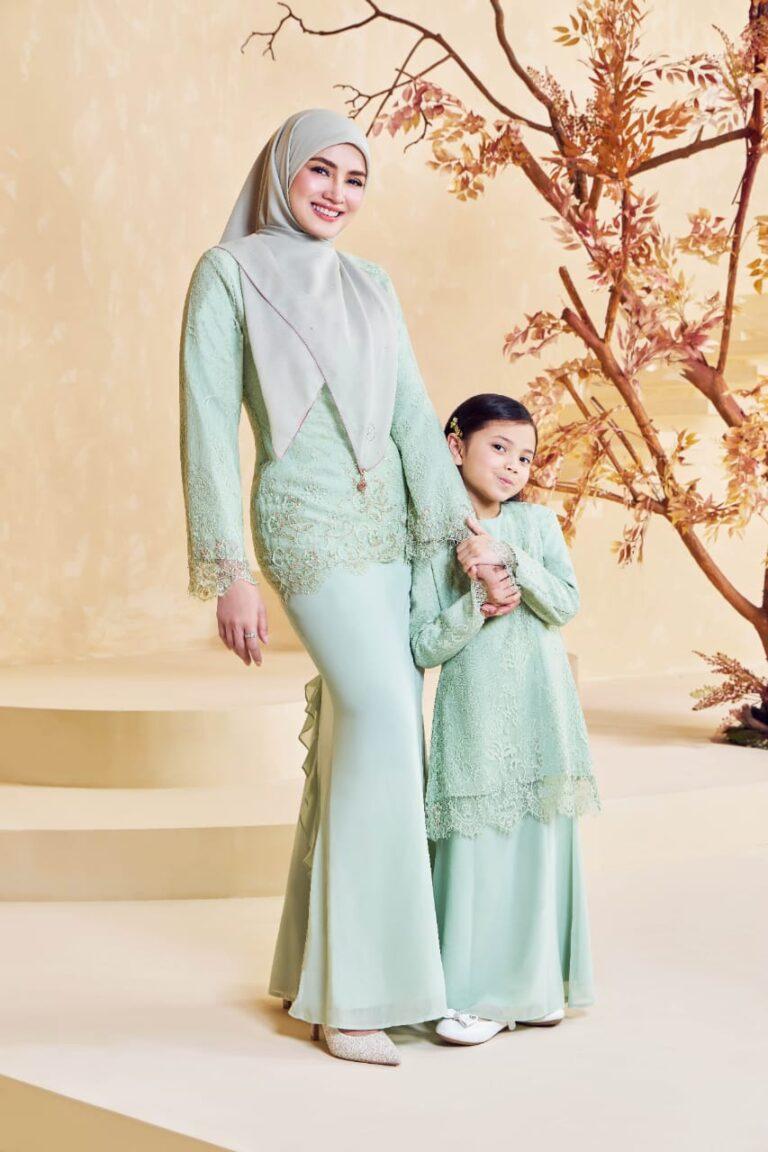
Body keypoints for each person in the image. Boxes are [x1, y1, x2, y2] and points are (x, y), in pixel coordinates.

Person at [179, 109, 475, 1065]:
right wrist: (229, 571)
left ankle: (337, 980)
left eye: (355, 178)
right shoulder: (228, 273)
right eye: (320, 171)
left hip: (392, 528)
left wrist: (461, 536)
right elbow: (207, 425)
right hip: (304, 525)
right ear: (281, 172)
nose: (337, 193)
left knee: (376, 734)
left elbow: (414, 413)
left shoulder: (370, 282)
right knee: (381, 717)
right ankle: (356, 1001)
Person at [409, 393, 601, 1045]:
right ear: (455, 445)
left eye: (525, 456)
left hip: (543, 709)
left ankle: (538, 990)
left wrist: (511, 558)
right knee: (479, 853)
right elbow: (424, 645)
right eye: (499, 447)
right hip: (476, 714)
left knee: (539, 847)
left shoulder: (538, 525)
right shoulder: (432, 536)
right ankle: (477, 996)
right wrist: (478, 602)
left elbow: (564, 605)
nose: (514, 465)